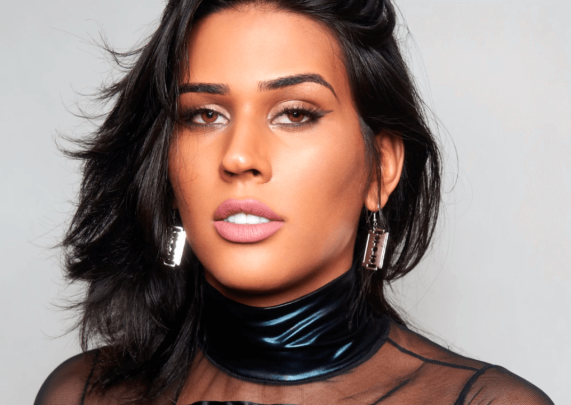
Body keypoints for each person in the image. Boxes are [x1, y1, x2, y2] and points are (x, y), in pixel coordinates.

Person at [35, 0, 554, 404]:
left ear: (381, 168)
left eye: (295, 114)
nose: (239, 156)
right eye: (205, 115)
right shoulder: (81, 395)